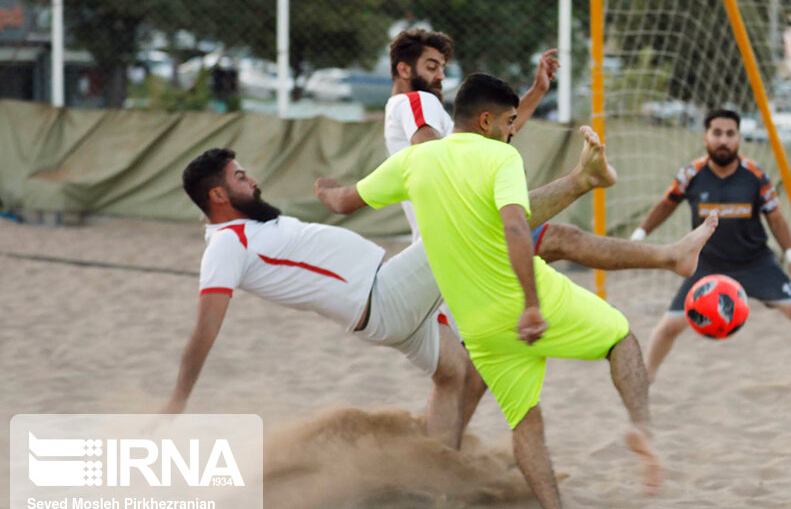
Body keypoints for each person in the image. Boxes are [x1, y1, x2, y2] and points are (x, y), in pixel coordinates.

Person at [166, 131, 716, 458]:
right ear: (218, 195)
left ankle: (434, 469)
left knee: (462, 374)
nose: (251, 180)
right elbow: (202, 332)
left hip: (387, 305)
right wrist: (177, 402)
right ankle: (613, 209)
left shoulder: (245, 231)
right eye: (240, 178)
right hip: (384, 296)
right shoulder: (225, 245)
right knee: (491, 224)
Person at [318, 74, 682, 509]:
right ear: (487, 120)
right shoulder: (501, 156)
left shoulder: (413, 161)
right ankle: (642, 427)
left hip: (479, 329)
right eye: (511, 121)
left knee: (526, 420)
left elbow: (344, 201)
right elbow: (516, 227)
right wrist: (532, 304)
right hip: (522, 300)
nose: (514, 130)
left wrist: (325, 190)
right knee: (620, 338)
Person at [634, 108, 791, 389]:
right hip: (706, 266)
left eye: (730, 134)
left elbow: (776, 218)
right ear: (706, 137)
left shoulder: (756, 176)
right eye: (717, 133)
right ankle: (646, 378)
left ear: (739, 138)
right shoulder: (690, 174)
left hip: (755, 263)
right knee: (669, 327)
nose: (723, 140)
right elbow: (665, 205)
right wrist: (638, 236)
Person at [382, 29, 556, 237]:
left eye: (442, 67)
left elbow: (500, 127)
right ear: (404, 70)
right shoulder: (415, 100)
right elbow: (433, 157)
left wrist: (538, 89)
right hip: (459, 234)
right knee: (562, 238)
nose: (441, 76)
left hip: (447, 236)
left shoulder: (403, 109)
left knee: (558, 238)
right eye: (432, 67)